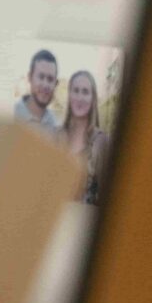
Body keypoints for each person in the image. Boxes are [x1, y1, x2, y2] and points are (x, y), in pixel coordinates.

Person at [60, 68, 112, 204]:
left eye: (85, 92)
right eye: (76, 91)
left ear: (93, 99)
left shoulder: (101, 142)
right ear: (69, 96)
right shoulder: (56, 136)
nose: (80, 97)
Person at [15, 49, 60, 133]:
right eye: (41, 77)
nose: (45, 85)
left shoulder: (54, 127)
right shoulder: (11, 116)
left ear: (56, 84)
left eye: (50, 79)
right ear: (30, 77)